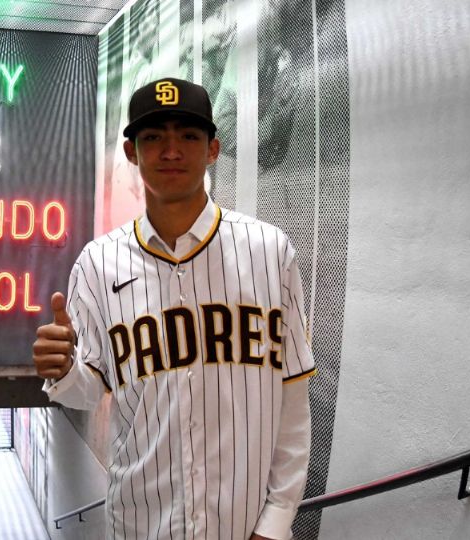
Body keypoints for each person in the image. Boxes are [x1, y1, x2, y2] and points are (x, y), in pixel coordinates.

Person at [33, 78, 315, 540]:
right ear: (131, 152)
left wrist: (279, 517)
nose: (170, 151)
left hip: (244, 526)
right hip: (142, 522)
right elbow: (86, 393)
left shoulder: (270, 251)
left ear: (213, 149)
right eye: (153, 137)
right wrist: (63, 369)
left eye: (187, 135)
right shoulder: (97, 263)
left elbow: (292, 395)